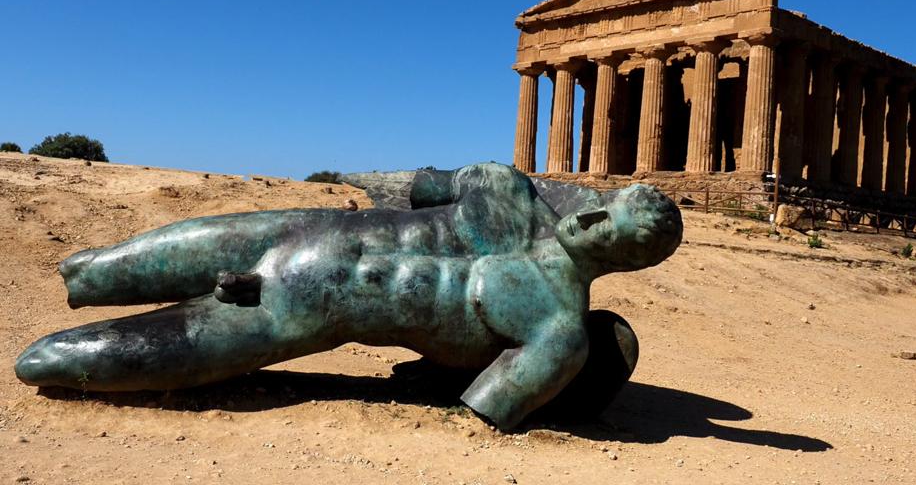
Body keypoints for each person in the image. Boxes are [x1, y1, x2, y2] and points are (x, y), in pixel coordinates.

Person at [16, 162, 682, 429]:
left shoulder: (556, 330)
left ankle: (60, 358)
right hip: (304, 228)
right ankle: (87, 279)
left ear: (623, 260)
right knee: (92, 270)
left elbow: (484, 408)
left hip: (306, 310)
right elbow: (409, 189)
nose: (588, 219)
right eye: (603, 206)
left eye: (608, 231)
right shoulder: (502, 187)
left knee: (51, 361)